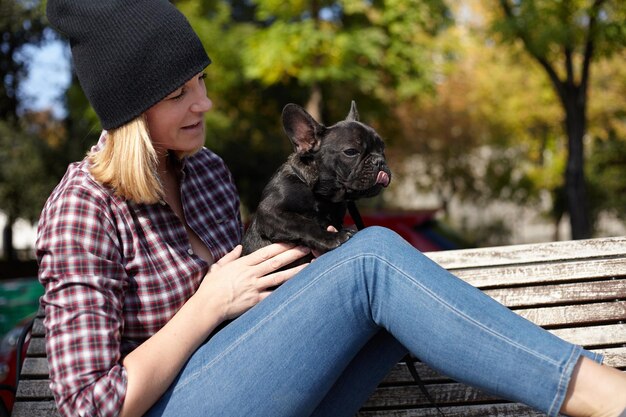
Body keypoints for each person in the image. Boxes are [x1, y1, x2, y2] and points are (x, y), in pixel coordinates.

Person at [37, 1, 626, 417]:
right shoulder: (82, 209)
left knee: (385, 309)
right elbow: (90, 406)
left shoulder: (206, 172)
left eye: (201, 82)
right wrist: (207, 304)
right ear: (129, 111)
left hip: (253, 387)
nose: (205, 102)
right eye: (178, 94)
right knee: (371, 262)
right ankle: (604, 396)